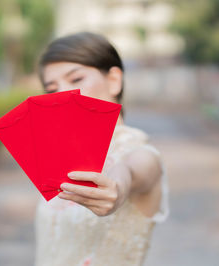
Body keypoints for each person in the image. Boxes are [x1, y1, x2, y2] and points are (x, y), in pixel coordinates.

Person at [34, 31, 169, 266]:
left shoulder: (140, 153)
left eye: (76, 80)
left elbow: (132, 171)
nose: (63, 95)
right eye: (52, 89)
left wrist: (118, 186)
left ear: (114, 80)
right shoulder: (64, 158)